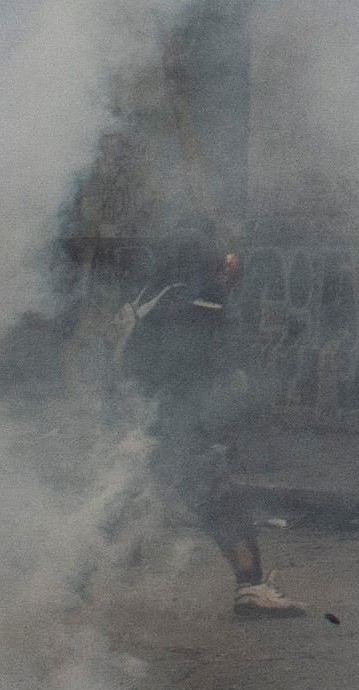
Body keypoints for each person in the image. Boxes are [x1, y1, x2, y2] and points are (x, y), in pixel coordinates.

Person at [121, 232, 307, 618]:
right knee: (220, 502)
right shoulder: (197, 299)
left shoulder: (153, 296)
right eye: (222, 260)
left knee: (120, 500)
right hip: (174, 424)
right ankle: (252, 588)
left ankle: (66, 577)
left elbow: (137, 364)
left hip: (140, 420)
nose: (228, 266)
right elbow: (213, 359)